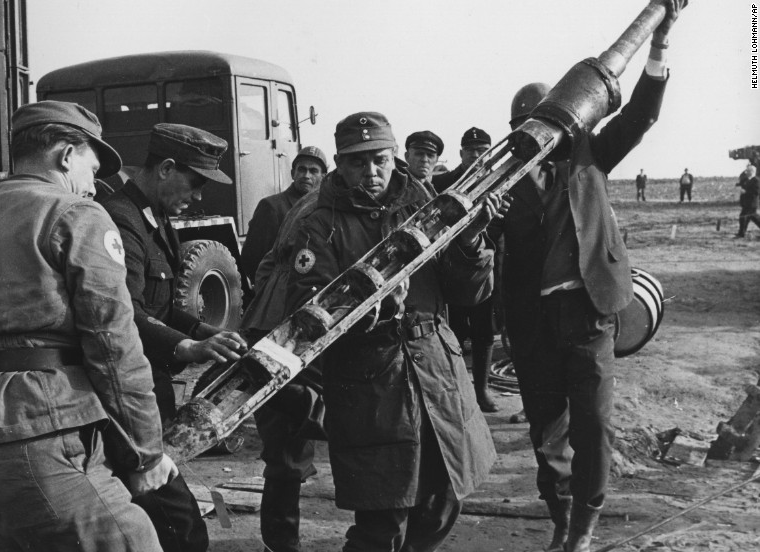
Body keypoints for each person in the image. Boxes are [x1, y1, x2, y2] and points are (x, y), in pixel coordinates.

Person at [0, 101, 172, 552]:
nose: (93, 188)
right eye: (90, 170)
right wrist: (145, 452)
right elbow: (114, 343)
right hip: (42, 436)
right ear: (64, 156)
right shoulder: (76, 213)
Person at [499, 3, 682, 551]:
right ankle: (560, 521)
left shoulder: (592, 158)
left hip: (589, 314)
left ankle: (583, 528)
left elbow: (642, 115)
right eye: (526, 128)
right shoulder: (501, 183)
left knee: (593, 427)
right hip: (533, 324)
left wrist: (660, 43)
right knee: (546, 432)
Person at [287, 112, 501, 551]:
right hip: (372, 386)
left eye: (380, 160)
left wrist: (471, 242)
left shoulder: (422, 201)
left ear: (394, 157)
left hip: (436, 374)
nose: (371, 173)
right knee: (383, 522)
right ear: (340, 165)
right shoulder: (317, 222)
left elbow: (468, 294)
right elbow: (309, 312)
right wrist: (379, 307)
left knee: (443, 502)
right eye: (357, 163)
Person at [99, 122, 249, 552]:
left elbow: (163, 307)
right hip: (130, 397)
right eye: (195, 181)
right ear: (166, 168)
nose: (198, 195)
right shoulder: (120, 221)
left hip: (151, 393)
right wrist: (188, 347)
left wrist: (207, 333)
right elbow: (125, 312)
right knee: (179, 527)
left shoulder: (156, 217)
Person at [240, 187, 323, 552]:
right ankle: (281, 544)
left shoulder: (311, 204)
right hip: (285, 327)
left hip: (281, 323)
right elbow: (269, 262)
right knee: (286, 449)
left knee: (287, 448)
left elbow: (266, 264)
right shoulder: (316, 207)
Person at [432, 127, 503, 412]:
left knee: (485, 331)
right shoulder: (444, 182)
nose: (476, 156)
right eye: (471, 150)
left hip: (486, 266)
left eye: (483, 151)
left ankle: (482, 391)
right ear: (461, 153)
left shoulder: (500, 181)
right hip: (454, 268)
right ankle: (457, 392)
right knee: (455, 329)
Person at [239, 145, 328, 283]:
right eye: (302, 169)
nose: (306, 175)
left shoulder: (325, 209)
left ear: (323, 177)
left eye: (313, 171)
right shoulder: (272, 206)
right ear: (293, 173)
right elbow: (252, 259)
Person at [431, 127, 492, 193]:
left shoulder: (501, 180)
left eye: (481, 150)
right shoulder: (439, 183)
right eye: (469, 149)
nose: (475, 155)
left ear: (490, 153)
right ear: (461, 153)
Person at [735, 164, 760, 238]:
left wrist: (746, 191)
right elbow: (741, 181)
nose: (746, 172)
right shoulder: (747, 180)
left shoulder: (756, 180)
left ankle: (741, 234)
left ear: (752, 171)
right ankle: (741, 233)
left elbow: (756, 192)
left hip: (752, 203)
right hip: (747, 203)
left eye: (748, 171)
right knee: (747, 218)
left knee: (744, 217)